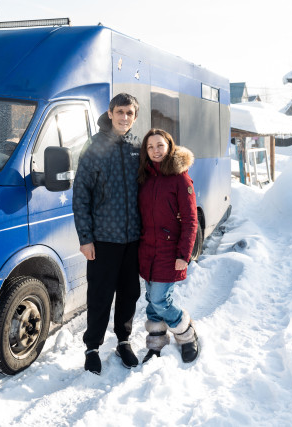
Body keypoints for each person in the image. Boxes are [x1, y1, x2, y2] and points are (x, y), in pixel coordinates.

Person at [72, 93, 142, 375]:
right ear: (110, 113)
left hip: (134, 238)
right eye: (120, 112)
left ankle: (123, 341)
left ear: (134, 117)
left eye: (130, 113)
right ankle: (92, 348)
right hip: (102, 238)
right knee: (100, 295)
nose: (125, 117)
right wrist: (85, 238)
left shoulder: (138, 147)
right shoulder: (93, 146)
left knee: (130, 293)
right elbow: (81, 196)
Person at [137, 128, 200, 364]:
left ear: (169, 146)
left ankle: (186, 334)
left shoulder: (180, 177)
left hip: (169, 251)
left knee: (160, 300)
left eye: (160, 145)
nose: (155, 151)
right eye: (150, 147)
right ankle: (156, 344)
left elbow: (191, 219)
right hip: (147, 250)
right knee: (152, 300)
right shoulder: (144, 176)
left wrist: (184, 254)